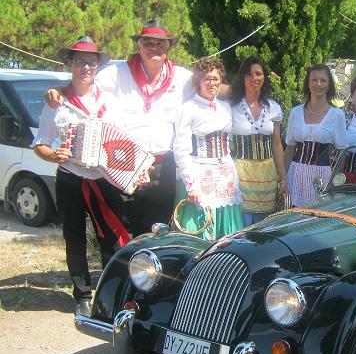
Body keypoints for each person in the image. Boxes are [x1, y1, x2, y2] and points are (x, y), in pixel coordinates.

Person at [44, 19, 194, 236]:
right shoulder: (117, 73)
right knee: (122, 229)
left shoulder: (182, 77)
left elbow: (211, 87)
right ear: (138, 45)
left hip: (163, 168)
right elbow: (84, 84)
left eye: (160, 43)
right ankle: (123, 270)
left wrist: (246, 89)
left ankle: (151, 270)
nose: (154, 47)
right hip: (123, 165)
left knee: (157, 229)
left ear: (168, 47)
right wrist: (58, 91)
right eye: (148, 42)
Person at [32, 36, 130, 317]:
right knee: (74, 238)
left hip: (103, 179)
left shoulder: (110, 101)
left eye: (91, 62)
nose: (86, 67)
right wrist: (51, 155)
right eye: (80, 62)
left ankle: (110, 296)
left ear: (97, 66)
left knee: (111, 239)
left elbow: (122, 140)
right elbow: (40, 141)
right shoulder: (56, 103)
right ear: (70, 64)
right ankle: (83, 296)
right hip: (70, 179)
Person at [172, 58, 243, 239]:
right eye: (208, 78)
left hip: (225, 177)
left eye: (216, 78)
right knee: (199, 231)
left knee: (227, 235)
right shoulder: (188, 109)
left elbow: (227, 144)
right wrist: (191, 185)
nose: (213, 83)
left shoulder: (225, 107)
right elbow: (181, 149)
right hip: (200, 177)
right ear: (199, 81)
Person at [230, 56, 288, 226]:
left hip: (267, 173)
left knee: (264, 227)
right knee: (242, 224)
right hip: (241, 172)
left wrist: (283, 179)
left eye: (258, 74)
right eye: (249, 74)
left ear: (264, 77)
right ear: (243, 77)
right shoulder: (232, 107)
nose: (254, 78)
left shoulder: (273, 108)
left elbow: (277, 146)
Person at [284, 65, 347, 207]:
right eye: (314, 80)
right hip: (296, 175)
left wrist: (334, 183)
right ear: (308, 83)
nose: (318, 84)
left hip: (322, 176)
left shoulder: (337, 115)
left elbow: (341, 153)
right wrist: (282, 180)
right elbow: (289, 150)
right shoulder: (296, 112)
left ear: (329, 84)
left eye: (323, 80)